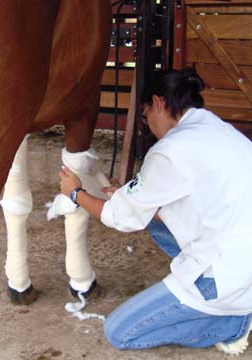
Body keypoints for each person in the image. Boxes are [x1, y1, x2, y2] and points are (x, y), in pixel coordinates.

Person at [58, 67, 252, 355]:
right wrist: (129, 193)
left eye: (146, 114)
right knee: (157, 224)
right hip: (241, 250)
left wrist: (76, 194)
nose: (147, 124)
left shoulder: (170, 150)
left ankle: (232, 323)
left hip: (225, 275)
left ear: (158, 103)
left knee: (120, 332)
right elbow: (179, 199)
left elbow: (118, 217)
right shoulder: (213, 126)